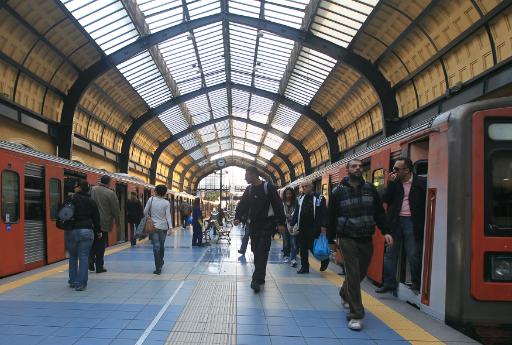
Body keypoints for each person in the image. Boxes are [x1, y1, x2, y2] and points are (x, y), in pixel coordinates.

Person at [329, 159, 393, 331]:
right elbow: (331, 216)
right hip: (346, 236)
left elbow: (379, 212)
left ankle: (344, 292)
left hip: (366, 236)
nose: (357, 168)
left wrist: (386, 231)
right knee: (353, 273)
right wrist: (330, 239)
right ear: (347, 170)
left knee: (361, 272)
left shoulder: (370, 189)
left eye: (359, 166)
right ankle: (356, 314)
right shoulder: (337, 191)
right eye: (353, 166)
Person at [376, 157, 426, 293]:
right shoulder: (395, 183)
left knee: (413, 253)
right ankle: (389, 283)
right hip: (395, 222)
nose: (394, 171)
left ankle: (416, 283)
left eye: (397, 169)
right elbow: (385, 199)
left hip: (412, 222)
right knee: (390, 254)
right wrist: (391, 184)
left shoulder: (421, 182)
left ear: (407, 170)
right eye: (394, 168)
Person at [234, 167, 286, 292]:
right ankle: (261, 277)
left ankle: (256, 280)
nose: (245, 178)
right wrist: (238, 217)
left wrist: (281, 223)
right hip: (253, 225)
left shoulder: (268, 187)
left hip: (267, 225)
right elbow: (242, 204)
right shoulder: (249, 189)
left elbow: (277, 205)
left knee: (262, 251)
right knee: (256, 252)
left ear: (254, 175)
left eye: (247, 175)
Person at [65, 180, 101, 291]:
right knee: (84, 257)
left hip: (72, 231)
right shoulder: (91, 201)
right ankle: (81, 284)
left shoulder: (71, 199)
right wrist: (98, 231)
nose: (74, 188)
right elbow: (96, 218)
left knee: (73, 256)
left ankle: (73, 281)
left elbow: (63, 212)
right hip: (87, 230)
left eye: (75, 186)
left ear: (79, 188)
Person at [290, 181, 330, 273]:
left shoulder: (319, 197)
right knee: (303, 248)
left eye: (306, 186)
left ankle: (324, 259)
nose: (304, 188)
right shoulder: (300, 198)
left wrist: (324, 225)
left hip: (314, 227)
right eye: (302, 186)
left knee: (313, 247)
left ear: (312, 186)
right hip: (302, 227)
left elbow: (324, 212)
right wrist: (292, 223)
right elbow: (296, 212)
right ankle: (305, 267)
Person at [89, 175, 120, 273]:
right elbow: (116, 210)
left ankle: (90, 260)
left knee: (92, 243)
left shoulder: (92, 190)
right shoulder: (111, 193)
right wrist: (118, 222)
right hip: (103, 223)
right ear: (109, 182)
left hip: (91, 221)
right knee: (101, 245)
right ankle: (99, 266)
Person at [144, 184, 173, 275]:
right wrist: (171, 227)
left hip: (153, 227)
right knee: (161, 245)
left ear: (156, 191)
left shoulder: (151, 200)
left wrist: (149, 217)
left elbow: (145, 212)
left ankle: (158, 267)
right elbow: (168, 216)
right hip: (163, 227)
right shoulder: (166, 203)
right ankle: (161, 261)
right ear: (165, 193)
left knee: (156, 246)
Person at [282, 187, 298, 267]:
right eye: (287, 193)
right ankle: (285, 255)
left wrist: (291, 218)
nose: (288, 195)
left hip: (293, 225)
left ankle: (293, 259)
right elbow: (281, 214)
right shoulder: (283, 203)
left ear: (292, 194)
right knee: (286, 242)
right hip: (285, 225)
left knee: (293, 243)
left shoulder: (296, 203)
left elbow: (296, 213)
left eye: (290, 193)